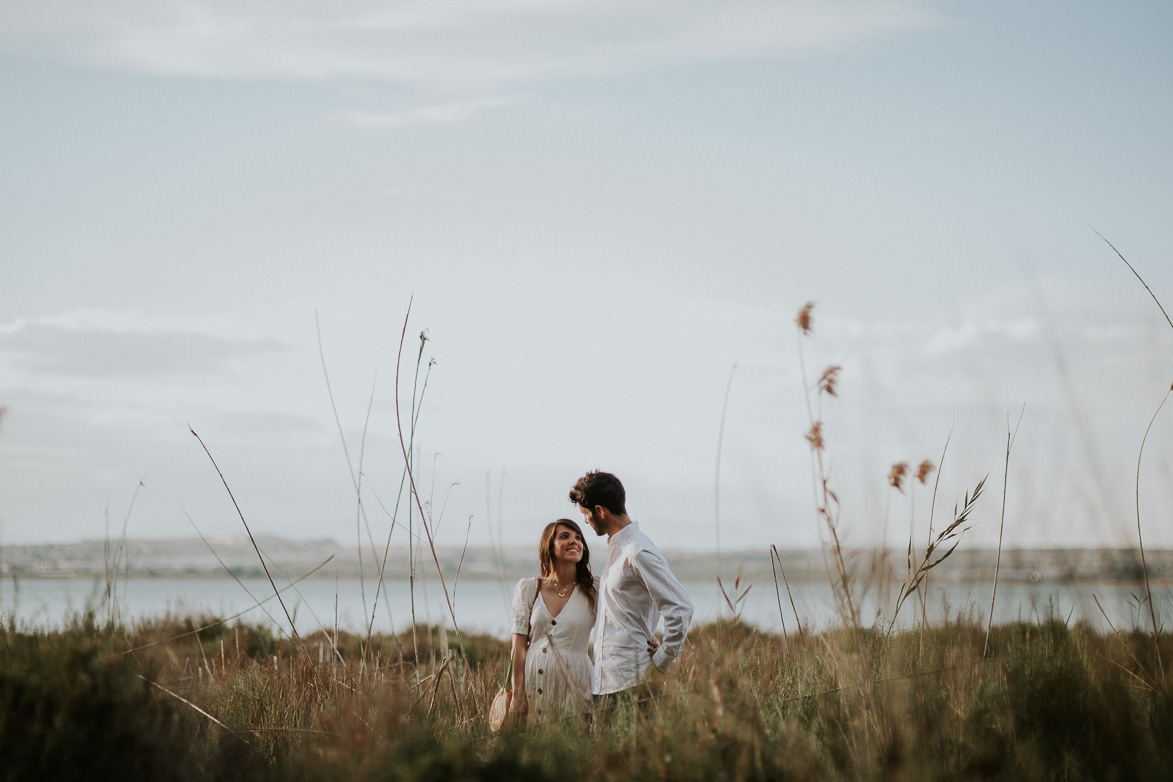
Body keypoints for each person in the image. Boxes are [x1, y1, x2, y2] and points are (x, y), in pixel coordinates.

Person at [569, 470, 693, 713]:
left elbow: (680, 608)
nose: (586, 521)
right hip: (605, 685)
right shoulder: (617, 549)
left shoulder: (638, 551)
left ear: (600, 511)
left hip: (635, 685)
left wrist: (663, 661)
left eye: (586, 514)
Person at [508, 518, 597, 721]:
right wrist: (518, 694)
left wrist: (649, 640)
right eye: (564, 537)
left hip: (577, 686)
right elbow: (518, 647)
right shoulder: (529, 588)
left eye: (578, 538)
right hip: (533, 687)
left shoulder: (595, 591)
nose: (574, 541)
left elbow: (625, 613)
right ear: (549, 547)